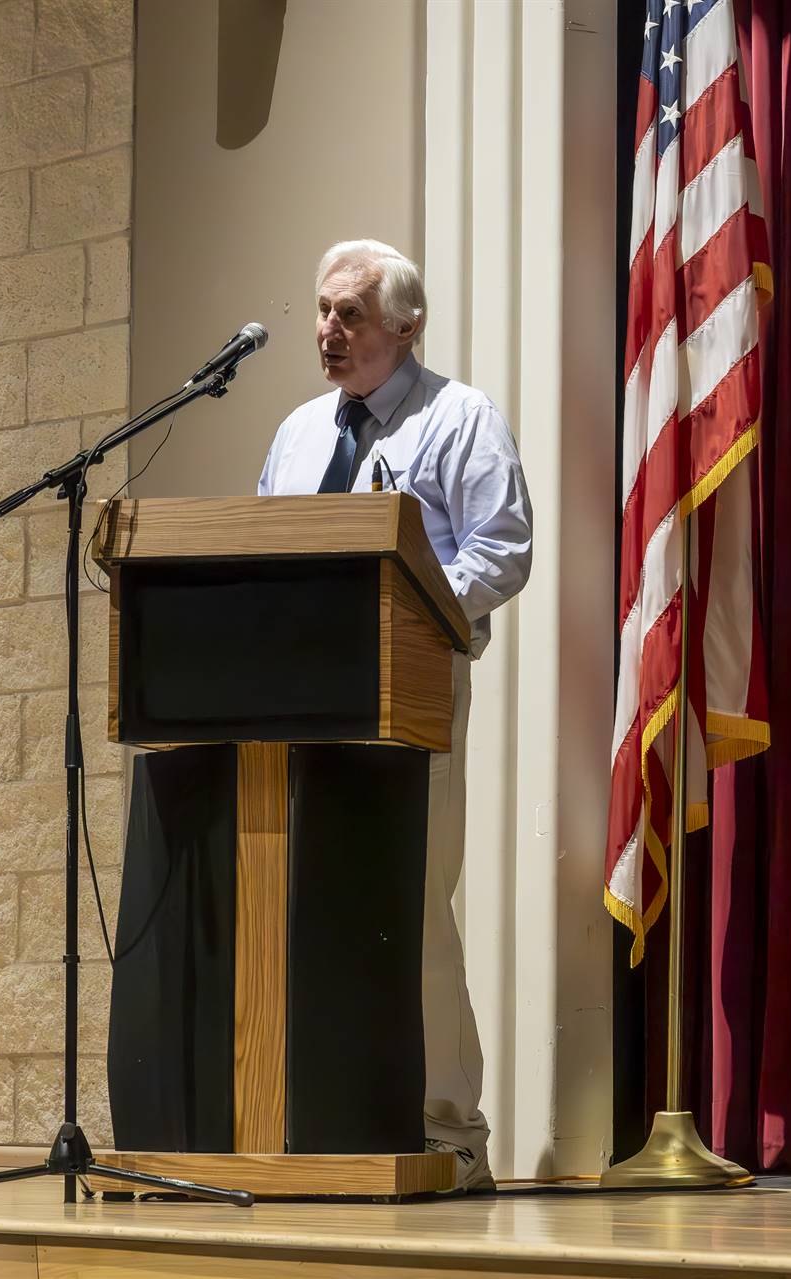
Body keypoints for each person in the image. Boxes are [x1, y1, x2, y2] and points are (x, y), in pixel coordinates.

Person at [258, 238, 533, 1192]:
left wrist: (410, 610)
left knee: (412, 918)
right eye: (323, 312)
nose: (328, 332)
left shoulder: (458, 417)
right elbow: (264, 550)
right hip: (298, 700)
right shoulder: (298, 434)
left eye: (350, 316)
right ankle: (322, 1121)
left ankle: (452, 1135)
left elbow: (504, 549)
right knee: (303, 914)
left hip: (406, 694)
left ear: (405, 327)